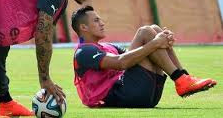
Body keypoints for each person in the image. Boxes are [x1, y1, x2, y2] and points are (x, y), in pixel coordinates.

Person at [71, 6, 217, 108]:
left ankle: (184, 78)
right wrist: (155, 42)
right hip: (123, 95)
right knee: (146, 32)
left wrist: (163, 41)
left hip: (140, 93)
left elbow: (134, 55)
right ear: (84, 27)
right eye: (96, 21)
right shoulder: (83, 52)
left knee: (154, 30)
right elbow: (122, 63)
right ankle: (180, 79)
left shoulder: (108, 46)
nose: (102, 23)